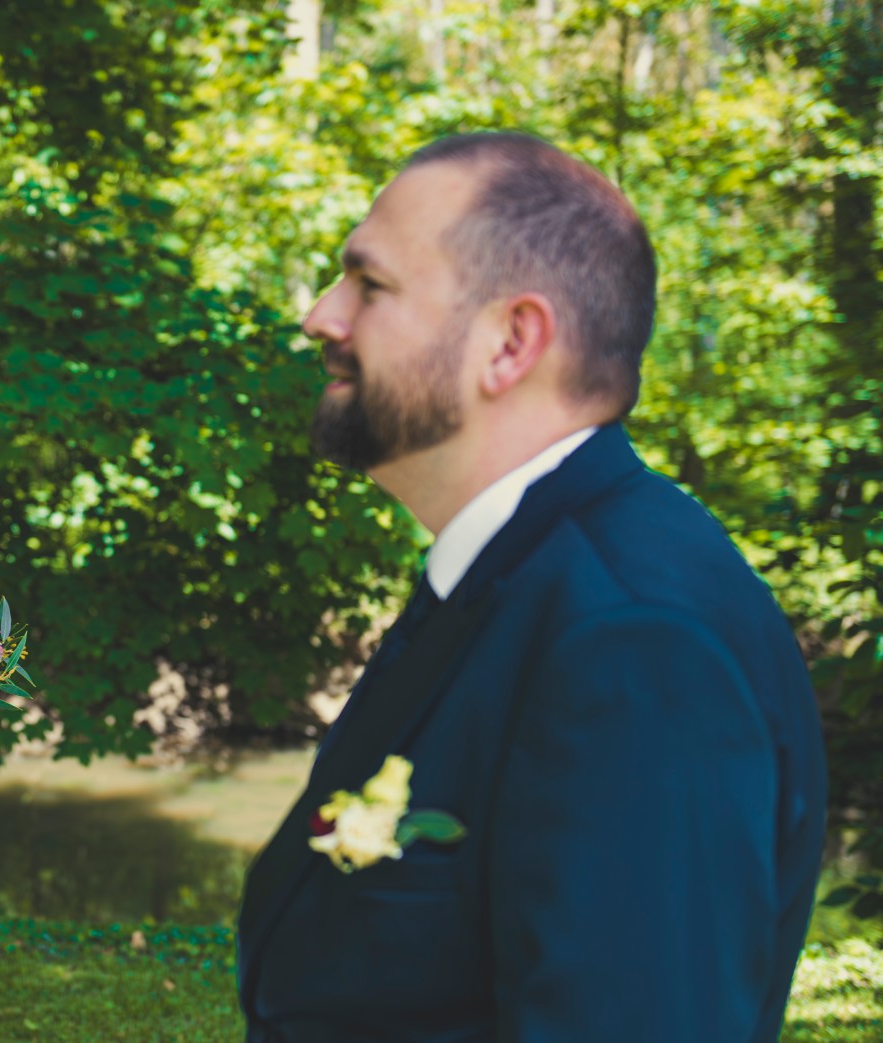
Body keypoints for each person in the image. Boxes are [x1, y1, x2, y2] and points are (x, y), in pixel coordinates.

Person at [236, 133, 827, 1041]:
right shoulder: (515, 569)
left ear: (512, 342)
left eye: (371, 285)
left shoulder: (635, 640)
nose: (322, 315)